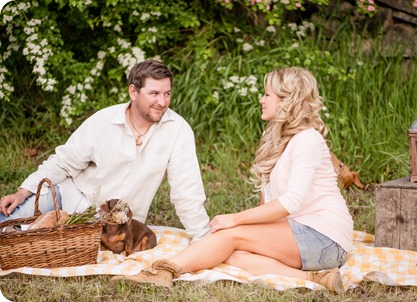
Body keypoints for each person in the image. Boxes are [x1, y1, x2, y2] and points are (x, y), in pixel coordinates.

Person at [112, 67, 354, 294]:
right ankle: (316, 279)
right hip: (302, 236)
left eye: (267, 94)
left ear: (287, 101)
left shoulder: (307, 140)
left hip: (325, 238)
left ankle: (162, 271)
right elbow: (268, 199)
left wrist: (235, 220)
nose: (261, 99)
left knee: (228, 236)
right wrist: (250, 230)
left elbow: (291, 202)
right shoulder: (276, 137)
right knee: (224, 250)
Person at [0, 59, 210, 242]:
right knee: (8, 222)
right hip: (68, 197)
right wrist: (23, 192)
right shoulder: (104, 120)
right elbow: (63, 162)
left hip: (113, 223)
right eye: (154, 93)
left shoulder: (178, 130)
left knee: (42, 245)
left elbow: (186, 191)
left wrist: (202, 236)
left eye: (167, 94)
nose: (162, 102)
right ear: (133, 92)